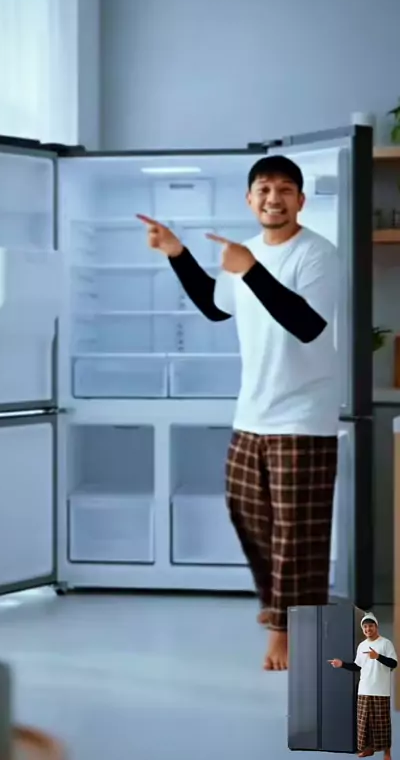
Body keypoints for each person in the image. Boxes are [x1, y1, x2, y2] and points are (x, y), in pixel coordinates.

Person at [137, 154, 339, 672]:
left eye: (285, 189)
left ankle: (287, 631)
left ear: (301, 200)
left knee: (297, 531)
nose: (274, 198)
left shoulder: (318, 254)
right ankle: (283, 607)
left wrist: (250, 269)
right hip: (252, 413)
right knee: (248, 516)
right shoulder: (245, 251)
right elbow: (215, 306)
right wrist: (178, 254)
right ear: (250, 200)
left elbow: (308, 324)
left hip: (303, 416)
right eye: (264, 189)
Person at [329, 612, 397, 759]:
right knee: (364, 723)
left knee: (382, 724)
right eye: (365, 627)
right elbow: (357, 666)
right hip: (364, 689)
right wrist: (342, 664)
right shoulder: (362, 646)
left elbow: (394, 663)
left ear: (376, 626)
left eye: (370, 626)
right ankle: (368, 749)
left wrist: (378, 657)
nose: (368, 629)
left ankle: (387, 753)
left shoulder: (386, 643)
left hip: (381, 690)